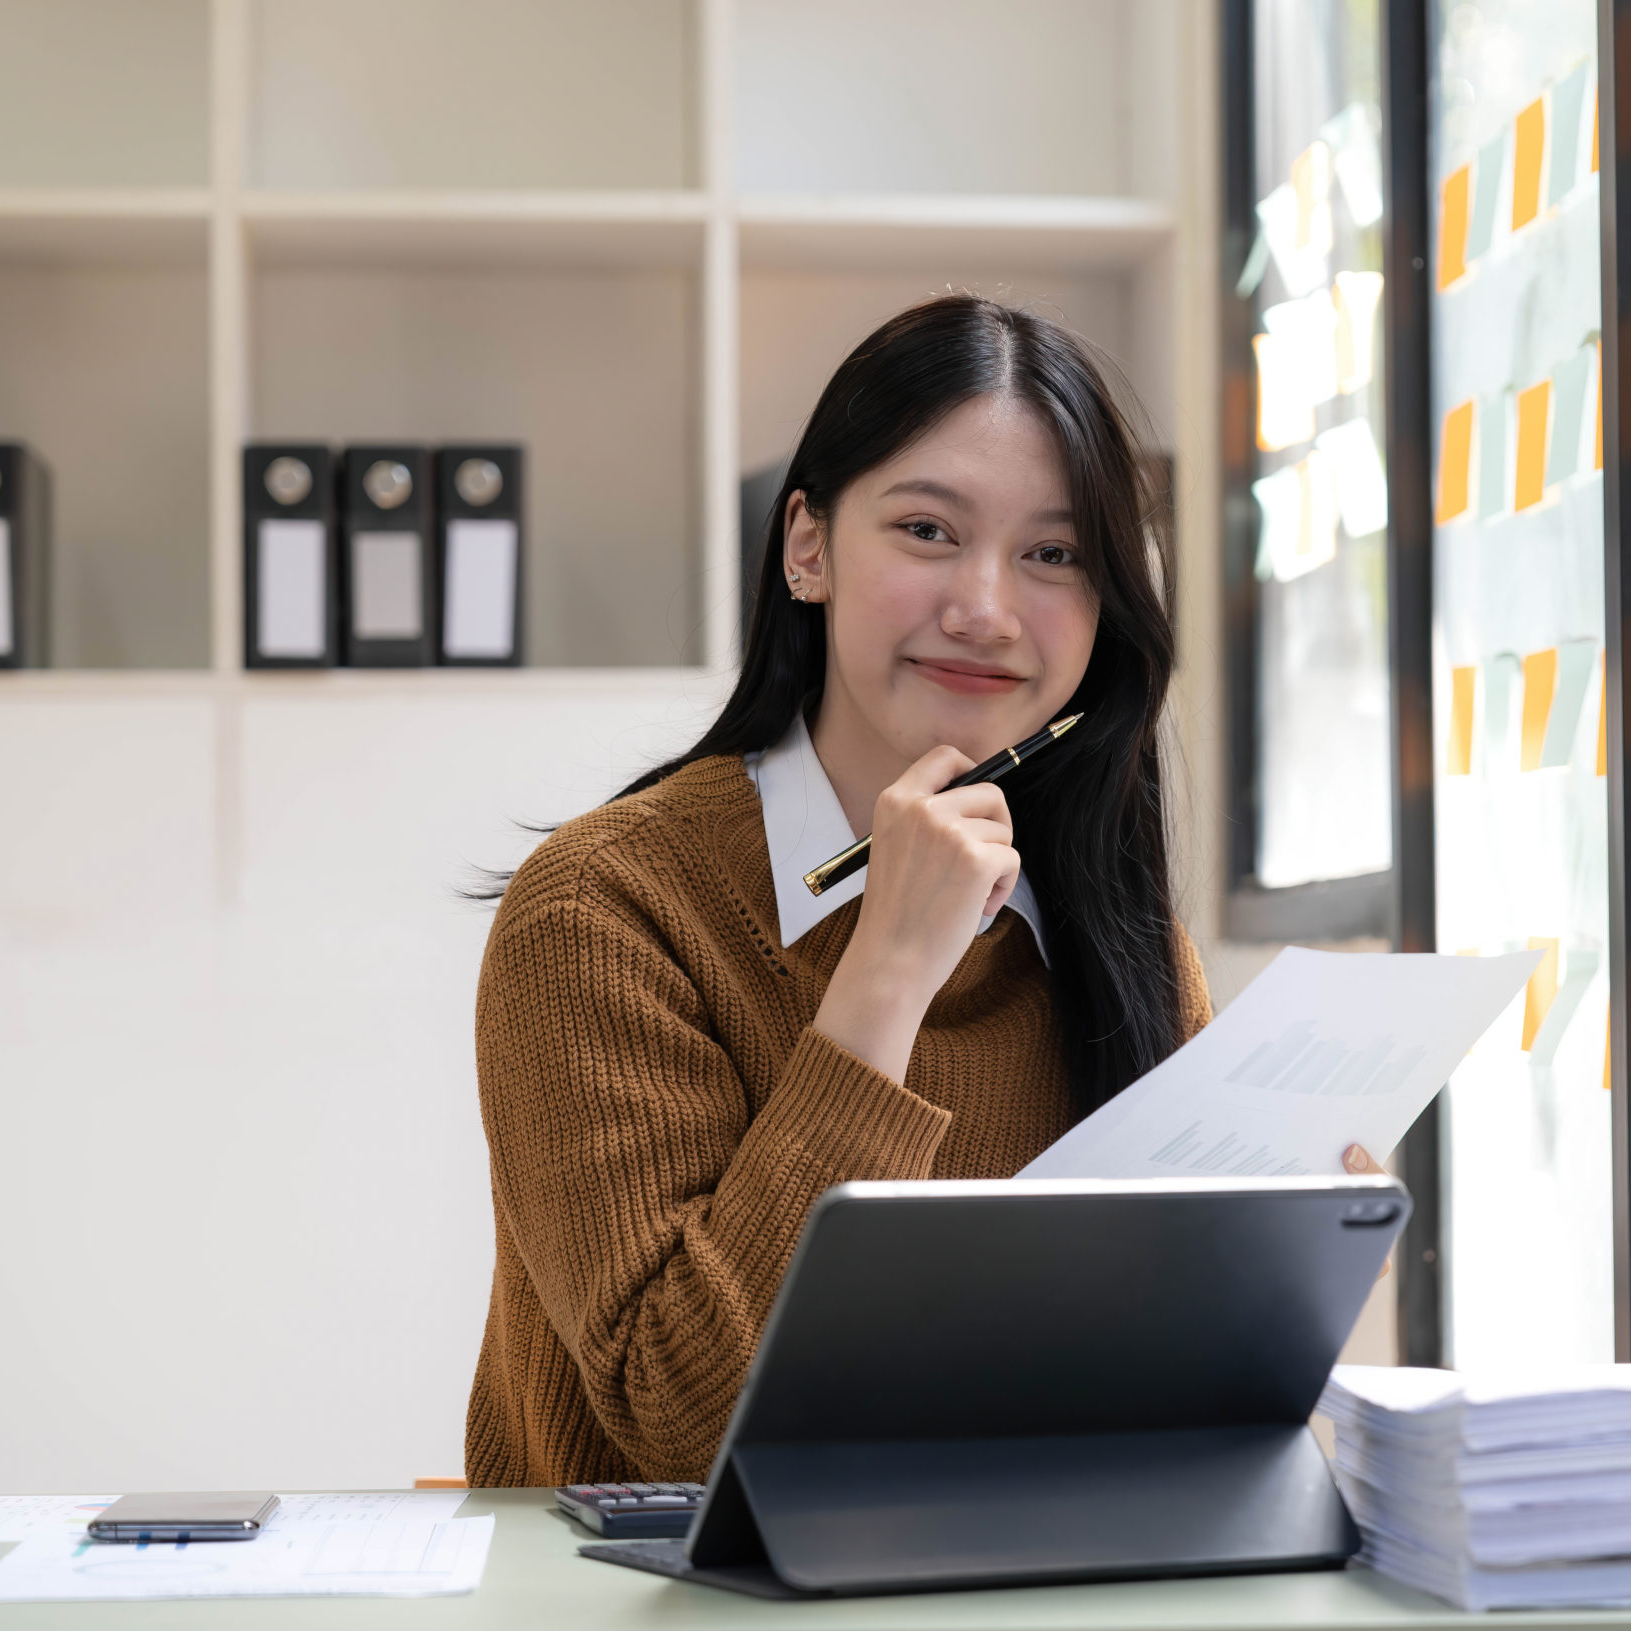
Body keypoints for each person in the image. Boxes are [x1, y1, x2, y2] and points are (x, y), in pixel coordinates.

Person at [464, 297, 1374, 1490]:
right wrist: (885, 973)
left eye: (1054, 555)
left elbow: (1131, 1405)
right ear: (808, 546)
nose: (986, 609)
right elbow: (686, 1423)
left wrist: (1290, 1284)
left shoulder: (1113, 933)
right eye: (929, 529)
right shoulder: (600, 909)